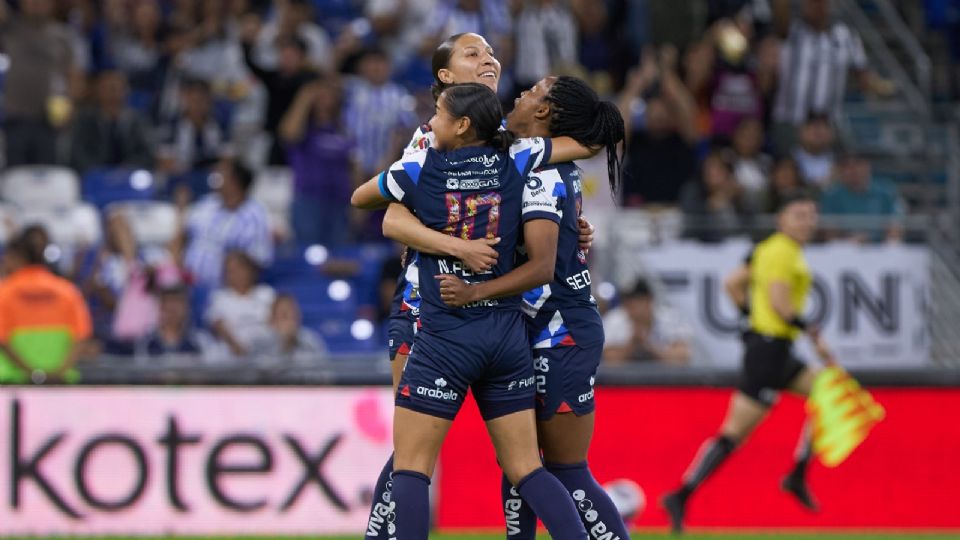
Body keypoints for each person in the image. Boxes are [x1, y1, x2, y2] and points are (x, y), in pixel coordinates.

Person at [359, 32, 598, 540]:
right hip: (455, 313)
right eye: (473, 54)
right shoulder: (445, 141)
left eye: (491, 54)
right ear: (445, 79)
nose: (489, 60)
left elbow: (376, 206)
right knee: (520, 464)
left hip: (455, 320)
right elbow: (395, 223)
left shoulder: (497, 146)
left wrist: (568, 224)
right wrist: (461, 247)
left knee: (414, 458)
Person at [662, 194, 835, 533]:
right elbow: (780, 304)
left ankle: (797, 474)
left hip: (773, 349)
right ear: (781, 219)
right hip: (769, 354)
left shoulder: (768, 249)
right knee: (733, 434)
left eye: (811, 215)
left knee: (828, 394)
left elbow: (732, 283)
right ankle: (682, 495)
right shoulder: (783, 252)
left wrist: (749, 320)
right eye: (799, 215)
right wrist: (811, 332)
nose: (808, 221)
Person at [0, 230, 93, 384]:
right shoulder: (68, 291)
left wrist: (33, 374)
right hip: (60, 383)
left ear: (18, 258)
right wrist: (59, 372)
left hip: (12, 383)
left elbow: (2, 340)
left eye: (7, 258)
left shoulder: (4, 293)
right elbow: (81, 336)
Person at [279, 77, 359, 246]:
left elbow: (353, 167)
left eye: (330, 92)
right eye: (321, 92)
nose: (326, 96)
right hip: (308, 201)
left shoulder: (343, 128)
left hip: (340, 202)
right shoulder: (304, 127)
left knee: (337, 253)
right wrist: (304, 98)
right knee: (308, 253)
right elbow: (288, 134)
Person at [180, 159, 274, 288]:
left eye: (221, 174)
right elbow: (182, 236)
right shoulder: (207, 204)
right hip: (187, 286)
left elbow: (258, 261)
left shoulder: (254, 216)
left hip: (224, 291)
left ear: (235, 182)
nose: (215, 177)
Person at [69, 70, 155, 174]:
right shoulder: (84, 121)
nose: (112, 93)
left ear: (126, 91)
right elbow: (78, 154)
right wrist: (100, 171)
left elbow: (147, 154)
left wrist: (126, 169)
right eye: (107, 88)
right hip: (95, 177)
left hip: (128, 176)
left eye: (116, 88)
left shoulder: (138, 121)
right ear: (98, 91)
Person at [603, 278, 693, 365]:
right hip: (623, 379)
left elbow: (682, 357)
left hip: (665, 379)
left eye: (634, 301)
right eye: (626, 302)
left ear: (649, 301)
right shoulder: (614, 320)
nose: (629, 307)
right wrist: (632, 344)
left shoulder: (670, 318)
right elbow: (608, 360)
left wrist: (649, 347)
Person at [819, 152, 905, 243]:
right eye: (846, 166)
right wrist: (849, 243)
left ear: (867, 166)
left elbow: (896, 224)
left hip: (881, 249)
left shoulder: (886, 191)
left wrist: (888, 248)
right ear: (840, 170)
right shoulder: (831, 196)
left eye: (858, 164)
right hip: (844, 250)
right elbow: (830, 234)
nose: (853, 170)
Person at [205, 251, 276, 358]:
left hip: (265, 352)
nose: (237, 274)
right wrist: (237, 347)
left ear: (250, 270)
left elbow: (275, 322)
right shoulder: (219, 297)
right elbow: (217, 324)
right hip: (233, 354)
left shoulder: (266, 293)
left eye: (240, 269)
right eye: (231, 271)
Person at [249, 294, 327, 362]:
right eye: (284, 315)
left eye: (292, 314)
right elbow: (254, 373)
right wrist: (284, 344)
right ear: (272, 318)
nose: (289, 320)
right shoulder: (260, 342)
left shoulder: (310, 339)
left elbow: (324, 372)